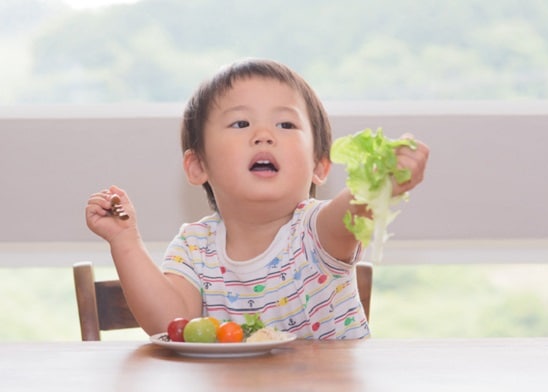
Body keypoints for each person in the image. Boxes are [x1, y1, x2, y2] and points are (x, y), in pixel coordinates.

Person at [86, 58, 429, 339]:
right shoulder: (195, 247)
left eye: (285, 125)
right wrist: (125, 241)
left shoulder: (316, 231)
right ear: (198, 165)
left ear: (319, 165)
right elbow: (169, 323)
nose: (263, 135)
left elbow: (349, 211)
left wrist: (378, 181)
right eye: (240, 123)